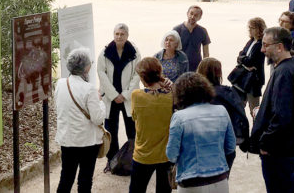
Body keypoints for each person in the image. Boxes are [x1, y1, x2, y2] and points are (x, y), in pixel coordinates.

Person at [249, 27, 294, 193]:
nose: (262, 49)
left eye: (266, 45)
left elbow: (282, 116)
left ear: (279, 47)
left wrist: (265, 142)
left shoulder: (284, 72)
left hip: (280, 152)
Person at [166, 73, 236, 192]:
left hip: (190, 182)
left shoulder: (179, 117)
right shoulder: (221, 111)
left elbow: (171, 155)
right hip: (220, 179)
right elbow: (230, 147)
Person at [56, 48, 106, 193]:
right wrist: (101, 102)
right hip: (87, 142)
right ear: (86, 67)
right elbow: (97, 118)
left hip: (67, 139)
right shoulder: (90, 89)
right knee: (85, 180)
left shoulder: (60, 84)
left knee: (66, 177)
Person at [97, 23, 141, 170]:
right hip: (111, 98)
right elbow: (101, 74)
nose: (119, 36)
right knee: (111, 131)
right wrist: (114, 95)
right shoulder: (104, 52)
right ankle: (112, 161)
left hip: (127, 98)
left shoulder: (134, 52)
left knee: (132, 129)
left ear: (127, 36)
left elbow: (137, 74)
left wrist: (125, 94)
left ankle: (133, 160)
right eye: (117, 34)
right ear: (113, 34)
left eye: (122, 34)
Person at [129, 57, 174, 193]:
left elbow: (134, 117)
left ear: (143, 78)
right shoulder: (172, 95)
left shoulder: (136, 95)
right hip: (165, 154)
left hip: (143, 154)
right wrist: (168, 85)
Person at [198, 57, 249, 170]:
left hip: (201, 144)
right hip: (225, 144)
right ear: (219, 73)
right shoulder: (229, 93)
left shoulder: (193, 94)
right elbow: (241, 115)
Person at [231, 17, 267, 115]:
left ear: (259, 29)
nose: (250, 30)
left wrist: (243, 59)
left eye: (253, 28)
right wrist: (243, 59)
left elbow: (251, 61)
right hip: (244, 78)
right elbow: (241, 54)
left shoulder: (260, 44)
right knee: (239, 105)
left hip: (254, 80)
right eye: (249, 28)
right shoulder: (251, 41)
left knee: (254, 108)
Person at [174, 5, 211, 72]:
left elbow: (206, 53)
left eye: (196, 15)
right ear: (187, 13)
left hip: (196, 67)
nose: (192, 17)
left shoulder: (202, 31)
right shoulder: (177, 30)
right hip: (179, 66)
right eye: (191, 13)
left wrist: (204, 68)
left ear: (200, 18)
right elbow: (171, 49)